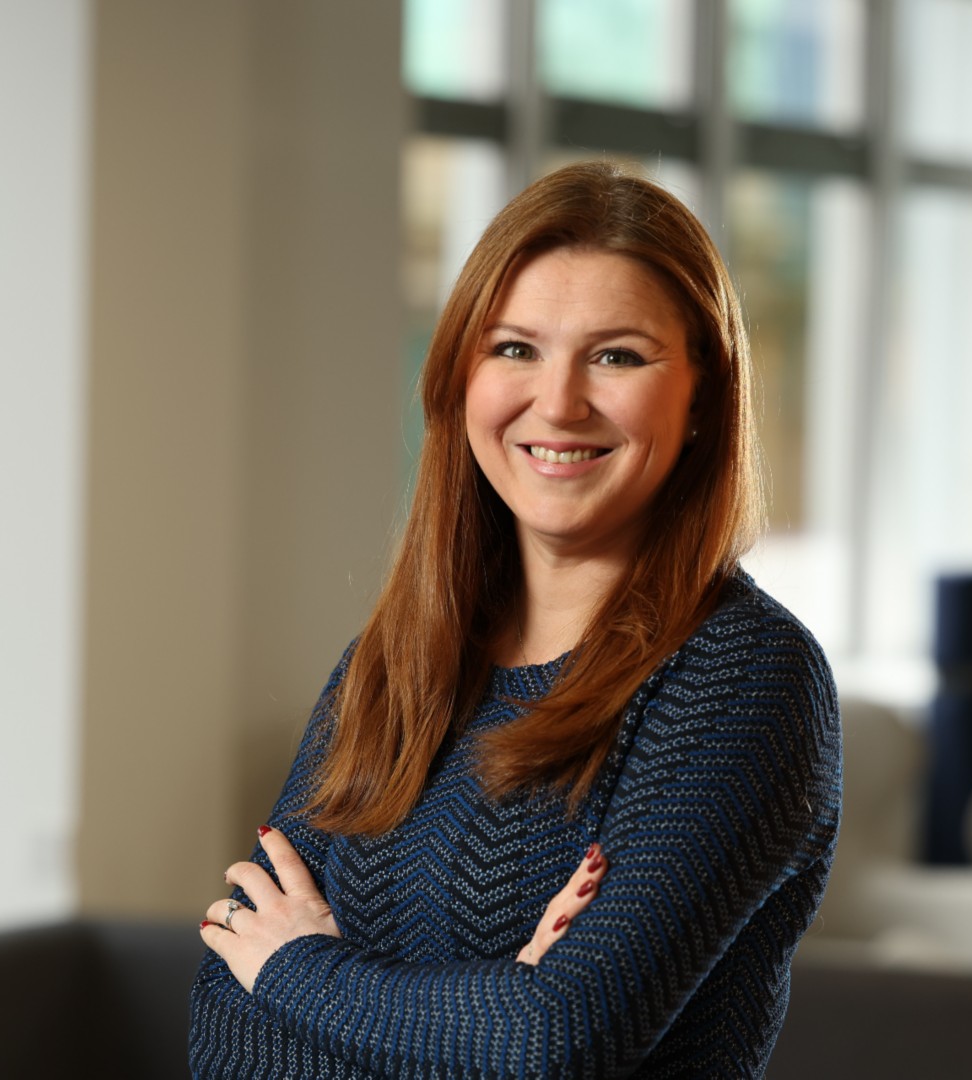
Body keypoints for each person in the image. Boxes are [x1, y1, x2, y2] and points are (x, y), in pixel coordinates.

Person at [188, 160, 841, 1078]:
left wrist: (296, 969)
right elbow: (224, 1028)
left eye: (617, 355)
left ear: (703, 396)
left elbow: (553, 1041)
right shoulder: (396, 659)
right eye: (513, 348)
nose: (559, 401)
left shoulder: (743, 677)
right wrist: (490, 1009)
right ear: (461, 380)